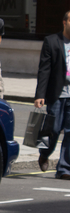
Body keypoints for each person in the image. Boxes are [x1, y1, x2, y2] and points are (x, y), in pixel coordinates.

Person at [34, 10, 70, 179]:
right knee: (53, 129)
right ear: (64, 22)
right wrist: (40, 94)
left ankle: (64, 168)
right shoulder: (52, 41)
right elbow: (44, 69)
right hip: (57, 93)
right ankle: (44, 153)